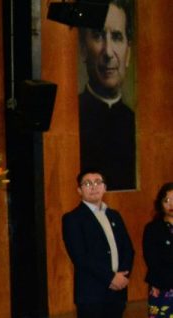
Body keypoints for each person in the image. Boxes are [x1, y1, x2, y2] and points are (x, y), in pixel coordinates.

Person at [62, 169, 138, 318]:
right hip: (91, 291)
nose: (93, 187)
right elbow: (80, 257)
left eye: (97, 183)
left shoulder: (114, 215)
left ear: (105, 187)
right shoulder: (72, 219)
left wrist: (123, 275)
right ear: (79, 190)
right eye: (87, 183)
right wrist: (109, 277)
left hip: (117, 290)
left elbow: (128, 248)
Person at [78, 0, 136, 191]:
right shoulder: (73, 116)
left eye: (117, 37)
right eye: (98, 36)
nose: (108, 52)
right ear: (84, 48)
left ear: (128, 52)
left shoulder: (133, 121)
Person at [142, 182, 173, 318]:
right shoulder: (153, 229)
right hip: (164, 290)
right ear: (160, 203)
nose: (171, 205)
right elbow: (153, 260)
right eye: (167, 200)